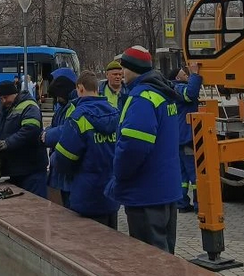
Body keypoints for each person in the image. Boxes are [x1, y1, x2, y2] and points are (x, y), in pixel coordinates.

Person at [105, 45, 183, 254]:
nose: (121, 73)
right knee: (165, 256)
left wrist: (119, 176)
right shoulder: (163, 93)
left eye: (123, 68)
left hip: (145, 193)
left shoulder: (142, 98)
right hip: (165, 190)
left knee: (150, 259)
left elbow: (133, 148)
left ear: (131, 68)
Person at [50, 70, 120, 228]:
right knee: (112, 244)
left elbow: (63, 158)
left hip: (86, 195)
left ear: (80, 88)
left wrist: (53, 159)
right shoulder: (115, 113)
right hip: (111, 194)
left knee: (88, 246)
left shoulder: (78, 116)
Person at [0, 80, 47, 198]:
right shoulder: (2, 107)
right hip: (14, 169)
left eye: (6, 97)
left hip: (31, 170)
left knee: (36, 206)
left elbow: (31, 130)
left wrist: (8, 143)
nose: (3, 101)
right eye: (0, 98)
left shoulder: (29, 106)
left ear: (14, 93)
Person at [41, 68, 78, 207]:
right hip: (62, 172)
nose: (56, 100)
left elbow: (67, 131)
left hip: (66, 172)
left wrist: (47, 135)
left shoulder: (72, 107)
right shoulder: (64, 106)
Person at [171, 62, 203, 213]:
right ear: (177, 77)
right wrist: (196, 74)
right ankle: (200, 204)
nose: (187, 75)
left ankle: (182, 203)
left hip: (180, 137)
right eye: (185, 74)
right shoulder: (178, 88)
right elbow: (190, 94)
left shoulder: (173, 88)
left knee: (182, 175)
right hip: (186, 137)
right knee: (195, 173)